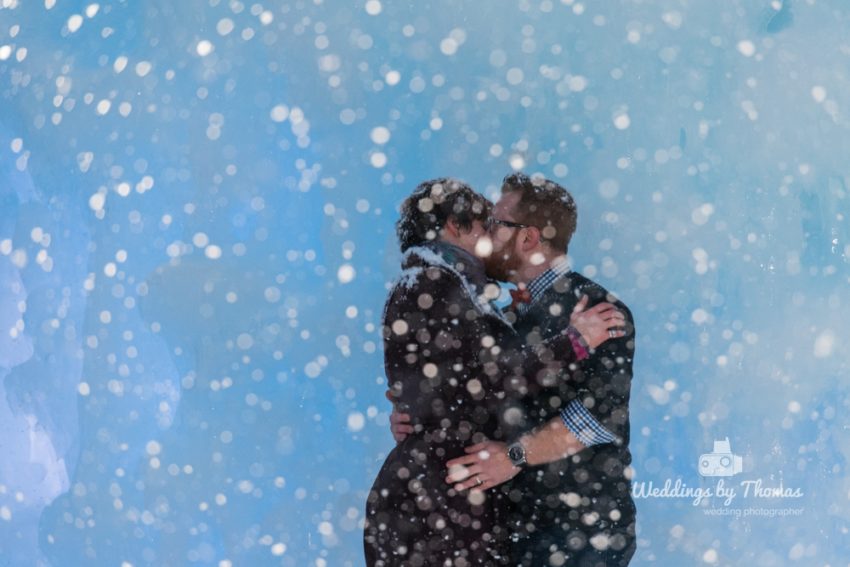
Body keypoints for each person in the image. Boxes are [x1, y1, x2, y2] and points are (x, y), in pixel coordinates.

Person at [364, 178, 626, 566]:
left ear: (529, 237)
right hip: (451, 511)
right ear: (455, 225)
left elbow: (598, 417)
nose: (489, 233)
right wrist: (424, 417)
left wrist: (511, 455)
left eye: (497, 223)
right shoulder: (437, 284)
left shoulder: (589, 308)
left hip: (562, 531)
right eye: (484, 222)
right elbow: (479, 381)